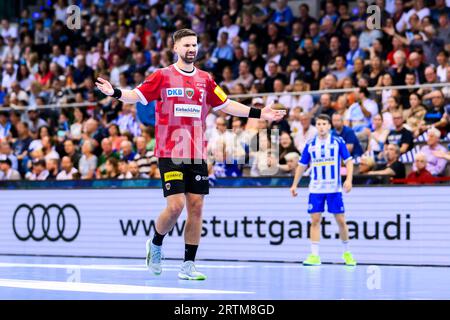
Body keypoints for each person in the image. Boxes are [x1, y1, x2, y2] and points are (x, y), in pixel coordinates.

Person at [95, 28, 285, 280]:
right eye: (186, 45)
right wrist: (115, 92)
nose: (191, 49)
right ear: (175, 48)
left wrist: (261, 113)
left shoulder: (205, 79)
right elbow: (137, 95)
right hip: (169, 150)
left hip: (195, 152)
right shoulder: (162, 76)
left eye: (194, 45)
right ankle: (156, 244)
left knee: (196, 207)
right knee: (175, 206)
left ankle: (188, 265)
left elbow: (226, 104)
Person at [290, 114, 356, 267]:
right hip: (316, 189)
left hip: (334, 188)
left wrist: (349, 179)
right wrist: (294, 185)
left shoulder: (337, 142)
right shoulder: (310, 144)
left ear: (329, 126)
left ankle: (347, 253)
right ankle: (314, 256)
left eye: (324, 124)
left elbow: (349, 161)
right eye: (318, 124)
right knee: (314, 220)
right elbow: (302, 165)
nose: (321, 127)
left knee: (341, 220)